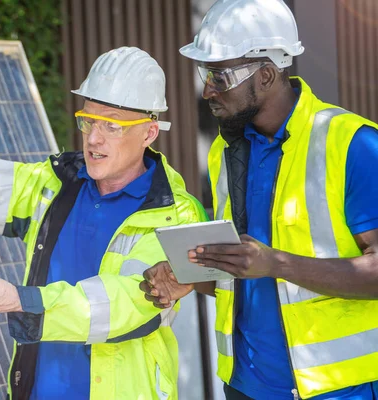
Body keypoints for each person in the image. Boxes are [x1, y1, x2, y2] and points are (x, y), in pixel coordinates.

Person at [0, 46, 206, 400]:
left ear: (149, 133)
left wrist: (20, 300)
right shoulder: (57, 182)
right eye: (88, 121)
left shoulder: (177, 214)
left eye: (112, 125)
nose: (93, 138)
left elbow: (124, 305)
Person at [140, 0, 378, 399]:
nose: (207, 89)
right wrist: (191, 276)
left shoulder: (355, 145)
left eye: (219, 75)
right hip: (243, 385)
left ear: (266, 74)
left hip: (337, 389)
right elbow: (244, 274)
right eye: (205, 73)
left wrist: (277, 263)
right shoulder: (225, 150)